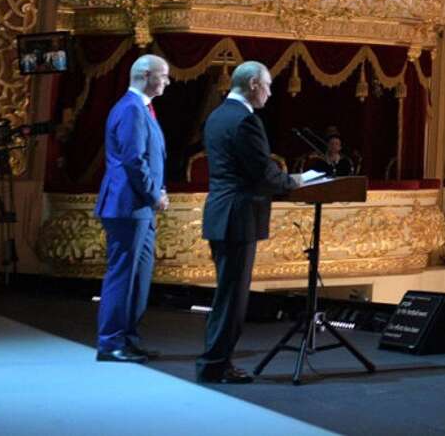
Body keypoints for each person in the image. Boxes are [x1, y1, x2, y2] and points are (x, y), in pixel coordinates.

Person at [196, 60, 310, 383]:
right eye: (269, 86)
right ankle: (216, 364)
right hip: (238, 216)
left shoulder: (217, 117)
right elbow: (263, 174)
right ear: (254, 86)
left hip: (220, 213)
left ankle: (215, 361)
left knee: (226, 294)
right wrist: (296, 181)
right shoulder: (245, 121)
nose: (271, 93)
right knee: (233, 298)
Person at [94, 54, 169, 363]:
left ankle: (127, 338)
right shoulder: (130, 109)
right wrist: (155, 195)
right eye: (163, 75)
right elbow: (133, 160)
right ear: (146, 75)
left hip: (139, 207)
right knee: (123, 275)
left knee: (139, 277)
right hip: (127, 205)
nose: (167, 81)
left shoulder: (142, 109)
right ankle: (110, 342)